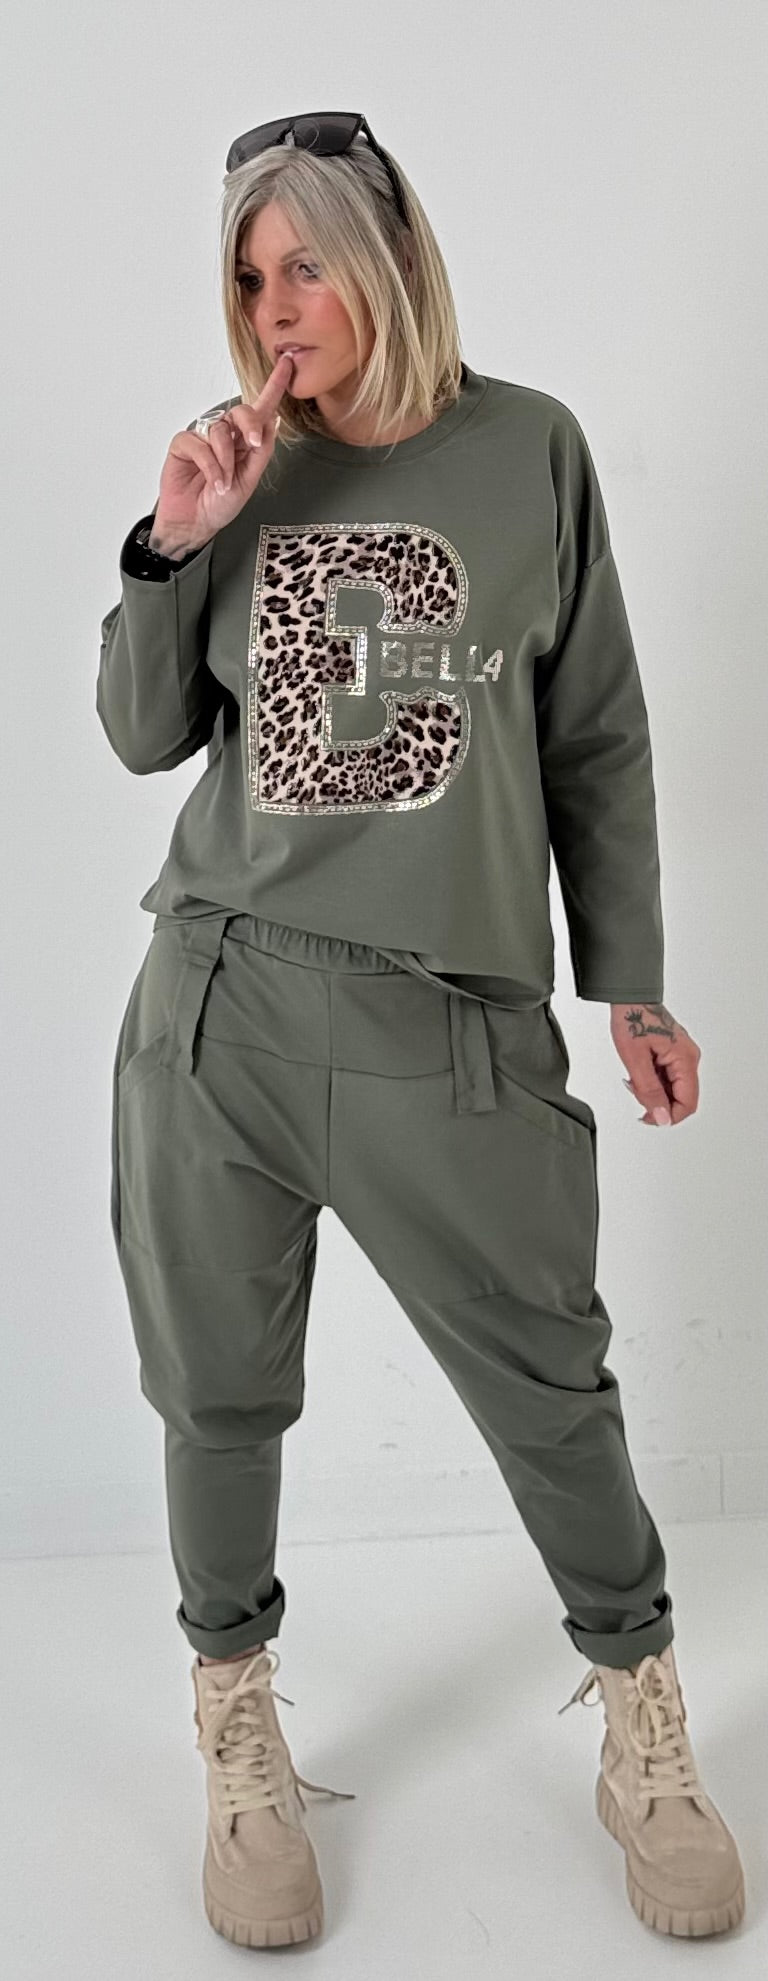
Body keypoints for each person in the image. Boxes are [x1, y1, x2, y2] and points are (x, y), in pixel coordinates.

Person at [97, 112, 743, 1950]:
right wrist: (172, 540)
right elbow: (141, 735)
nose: (275, 308)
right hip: (220, 1007)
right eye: (250, 277)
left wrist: (632, 981)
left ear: (387, 255)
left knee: (553, 1386)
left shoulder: (530, 449)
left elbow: (597, 733)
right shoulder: (240, 469)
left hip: (449, 1030)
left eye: (306, 262)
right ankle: (238, 1726)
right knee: (215, 1394)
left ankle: (642, 1721)